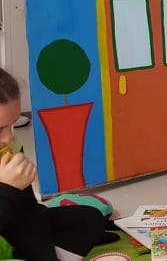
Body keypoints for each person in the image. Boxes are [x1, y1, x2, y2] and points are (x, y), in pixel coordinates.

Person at [0, 68, 108, 260]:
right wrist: (8, 190)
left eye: (12, 125)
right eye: (0, 129)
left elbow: (28, 214)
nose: (8, 138)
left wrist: (20, 186)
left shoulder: (9, 147)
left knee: (90, 218)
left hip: (16, 226)